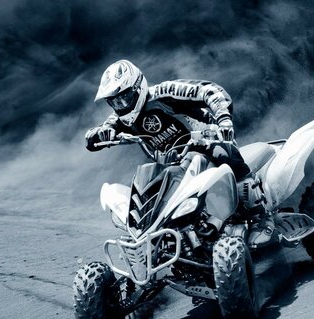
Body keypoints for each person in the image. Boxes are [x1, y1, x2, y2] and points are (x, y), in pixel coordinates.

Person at [85, 59, 273, 245]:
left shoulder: (164, 93)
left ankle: (261, 218)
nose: (122, 105)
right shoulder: (120, 119)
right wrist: (100, 134)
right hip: (173, 164)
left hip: (207, 145)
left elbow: (210, 90)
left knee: (225, 155)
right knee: (148, 189)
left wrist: (223, 120)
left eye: (125, 97)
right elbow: (92, 139)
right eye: (115, 102)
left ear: (138, 87)